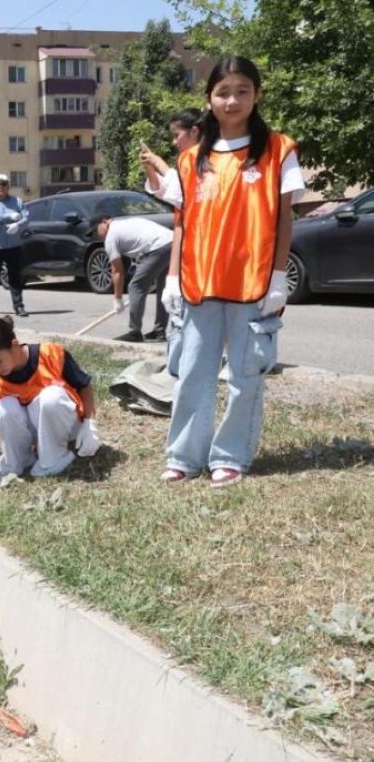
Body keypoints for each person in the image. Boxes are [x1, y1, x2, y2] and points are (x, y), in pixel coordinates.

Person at [156, 57, 304, 489]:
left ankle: (230, 455)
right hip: (199, 283)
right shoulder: (190, 160)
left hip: (253, 284)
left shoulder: (278, 150)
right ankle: (184, 455)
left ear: (257, 95)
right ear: (209, 99)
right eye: (223, 92)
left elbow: (285, 219)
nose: (232, 100)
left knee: (245, 375)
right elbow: (182, 221)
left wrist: (278, 277)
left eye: (242, 91)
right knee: (192, 373)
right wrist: (172, 278)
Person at [0, 317, 100, 503]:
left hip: (67, 424)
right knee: (3, 409)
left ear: (14, 345)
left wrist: (90, 424)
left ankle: (55, 457)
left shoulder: (51, 355)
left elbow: (84, 386)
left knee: (50, 397)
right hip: (36, 431)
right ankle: (18, 461)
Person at [90, 214, 172, 342]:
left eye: (96, 231)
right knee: (162, 287)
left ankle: (134, 332)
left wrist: (117, 299)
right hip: (172, 241)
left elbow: (117, 271)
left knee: (135, 287)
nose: (97, 235)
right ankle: (159, 331)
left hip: (158, 246)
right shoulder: (123, 224)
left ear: (104, 222)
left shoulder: (111, 237)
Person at [0, 174, 29, 317]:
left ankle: (18, 306)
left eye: (4, 184)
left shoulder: (17, 201)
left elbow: (26, 218)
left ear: (9, 186)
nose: (1, 187)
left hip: (13, 245)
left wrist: (18, 225)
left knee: (15, 277)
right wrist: (9, 216)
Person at [141, 108, 204, 197]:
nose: (174, 142)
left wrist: (157, 162)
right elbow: (161, 189)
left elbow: (180, 192)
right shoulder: (187, 159)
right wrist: (149, 167)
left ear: (194, 131)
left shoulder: (207, 159)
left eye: (177, 135)